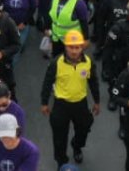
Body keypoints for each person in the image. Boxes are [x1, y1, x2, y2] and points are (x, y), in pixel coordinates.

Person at [40, 30, 99, 166]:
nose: (74, 51)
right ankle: (61, 161)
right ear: (65, 47)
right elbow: (47, 82)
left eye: (77, 47)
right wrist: (44, 103)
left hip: (80, 103)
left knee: (84, 127)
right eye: (71, 47)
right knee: (59, 136)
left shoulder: (88, 62)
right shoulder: (56, 63)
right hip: (61, 104)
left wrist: (97, 101)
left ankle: (77, 146)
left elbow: (93, 82)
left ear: (82, 47)